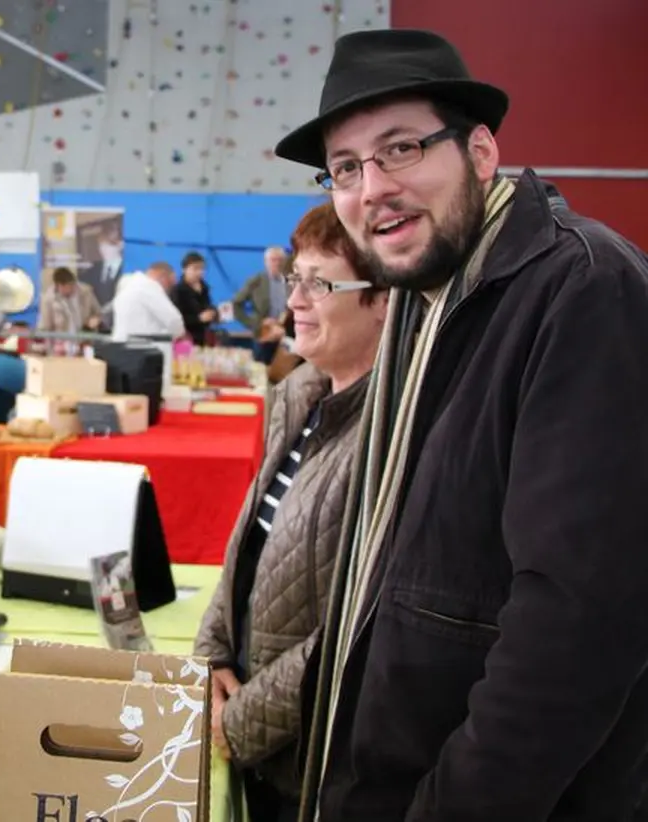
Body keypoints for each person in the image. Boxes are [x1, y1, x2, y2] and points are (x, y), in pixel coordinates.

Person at [272, 29, 648, 822]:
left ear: (480, 153)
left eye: (401, 148)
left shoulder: (581, 289)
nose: (371, 187)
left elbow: (577, 626)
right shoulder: (425, 298)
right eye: (346, 167)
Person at [194, 202, 386, 822]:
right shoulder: (300, 397)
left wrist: (241, 721)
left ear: (383, 298)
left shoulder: (393, 435)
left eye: (320, 283)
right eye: (293, 280)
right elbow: (251, 544)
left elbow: (360, 628)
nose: (296, 300)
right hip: (255, 729)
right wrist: (213, 656)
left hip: (313, 760)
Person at [111, 262, 186, 343]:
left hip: (120, 344)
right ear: (163, 276)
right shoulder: (150, 287)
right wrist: (179, 334)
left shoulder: (128, 285)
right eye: (169, 283)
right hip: (142, 348)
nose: (168, 290)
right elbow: (174, 320)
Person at [232, 246, 290, 341]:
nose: (277, 263)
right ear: (265, 262)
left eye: (280, 260)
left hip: (286, 334)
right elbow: (235, 304)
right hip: (263, 333)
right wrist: (255, 323)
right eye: (273, 260)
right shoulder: (256, 281)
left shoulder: (291, 281)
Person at [37, 266, 102, 336]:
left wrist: (94, 320)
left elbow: (98, 313)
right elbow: (46, 327)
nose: (69, 290)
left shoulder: (86, 292)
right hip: (61, 342)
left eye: (71, 286)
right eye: (64, 288)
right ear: (57, 286)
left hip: (86, 340)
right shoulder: (48, 300)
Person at [170, 251, 217, 344]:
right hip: (184, 339)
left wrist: (214, 313)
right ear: (184, 269)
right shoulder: (177, 291)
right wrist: (198, 318)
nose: (200, 272)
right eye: (195, 268)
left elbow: (207, 306)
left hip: (203, 338)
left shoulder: (204, 288)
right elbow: (175, 319)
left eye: (202, 269)